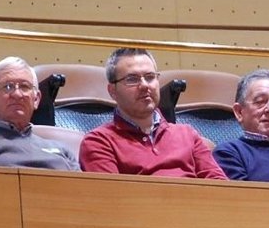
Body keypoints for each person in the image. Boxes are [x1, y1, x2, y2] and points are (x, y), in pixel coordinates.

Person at [79, 48, 227, 179]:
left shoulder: (188, 134)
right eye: (132, 79)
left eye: (150, 77)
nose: (144, 85)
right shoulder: (99, 141)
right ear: (112, 91)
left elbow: (221, 188)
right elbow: (112, 198)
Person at [0, 56, 79, 170]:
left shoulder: (63, 152)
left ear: (36, 99)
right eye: (8, 87)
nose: (17, 94)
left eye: (25, 87)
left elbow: (82, 188)